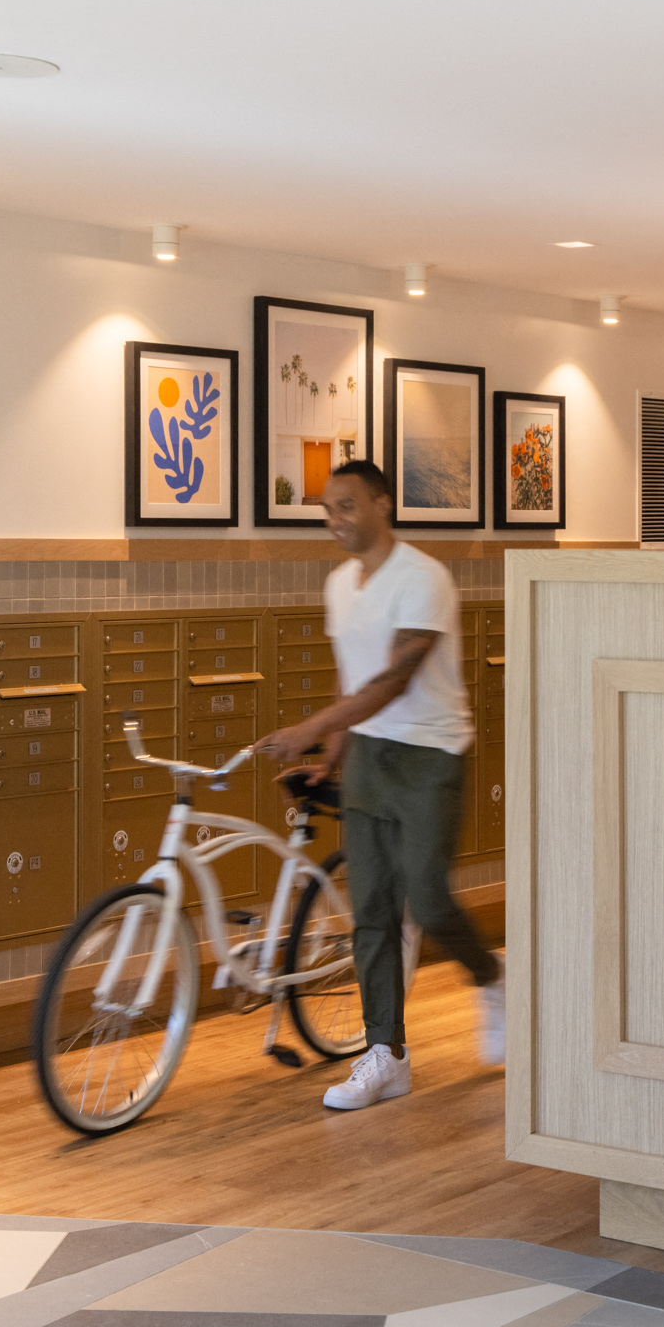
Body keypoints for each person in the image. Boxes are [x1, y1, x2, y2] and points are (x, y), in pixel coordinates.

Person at [256, 459, 503, 1110]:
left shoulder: (424, 578)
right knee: (370, 909)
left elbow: (393, 680)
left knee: (426, 894)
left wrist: (309, 726)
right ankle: (386, 1053)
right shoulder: (340, 584)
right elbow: (352, 675)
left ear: (382, 504)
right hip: (368, 752)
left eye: (346, 506)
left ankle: (490, 975)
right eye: (327, 510)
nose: (335, 520)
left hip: (429, 752)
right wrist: (331, 755)